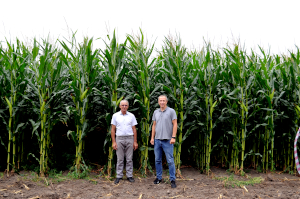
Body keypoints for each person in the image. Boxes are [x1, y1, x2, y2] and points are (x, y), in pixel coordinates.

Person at [150, 95, 177, 188]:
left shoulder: (171, 111)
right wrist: (152, 138)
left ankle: (172, 179)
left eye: (163, 101)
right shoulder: (156, 112)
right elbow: (154, 125)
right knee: (157, 160)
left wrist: (173, 137)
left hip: (168, 140)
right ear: (158, 102)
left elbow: (175, 124)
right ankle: (159, 178)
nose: (162, 102)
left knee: (170, 161)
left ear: (166, 102)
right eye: (160, 100)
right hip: (157, 140)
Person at [111, 100, 138, 184]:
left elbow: (134, 129)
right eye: (122, 105)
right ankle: (119, 176)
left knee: (129, 159)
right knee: (120, 159)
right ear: (119, 106)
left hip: (130, 138)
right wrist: (114, 142)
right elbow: (113, 129)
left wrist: (135, 141)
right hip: (119, 138)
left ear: (128, 106)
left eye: (126, 105)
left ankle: (129, 176)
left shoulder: (131, 116)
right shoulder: (115, 116)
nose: (124, 107)